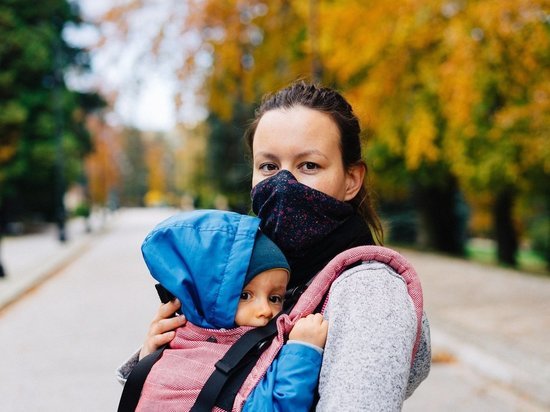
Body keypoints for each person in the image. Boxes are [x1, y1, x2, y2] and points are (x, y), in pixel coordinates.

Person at [120, 81, 431, 410]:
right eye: (268, 166)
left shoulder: (370, 292)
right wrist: (163, 358)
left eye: (308, 165)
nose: (283, 184)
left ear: (351, 179)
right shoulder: (252, 269)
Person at [123, 209, 328, 411]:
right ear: (207, 296)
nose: (265, 310)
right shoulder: (184, 361)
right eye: (245, 295)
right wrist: (303, 350)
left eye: (275, 298)